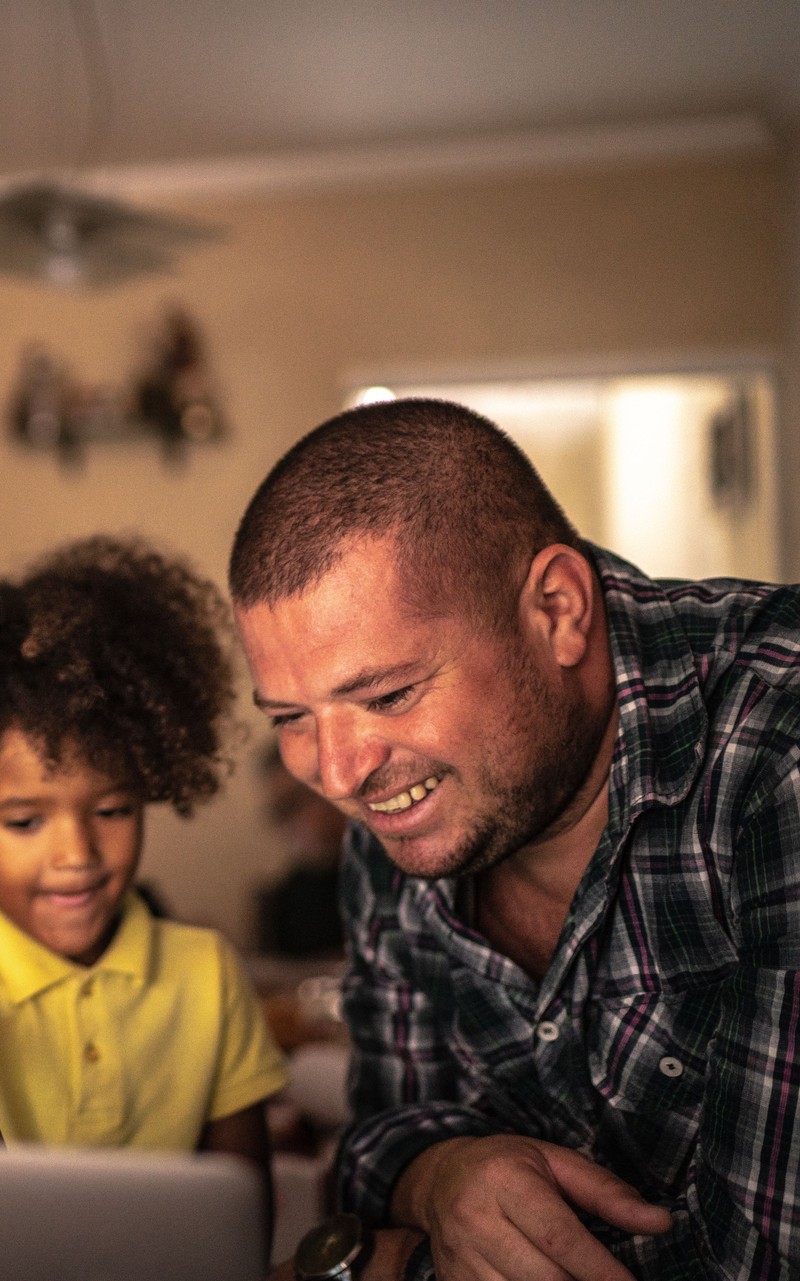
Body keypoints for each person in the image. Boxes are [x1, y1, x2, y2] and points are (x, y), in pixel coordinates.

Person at [229, 398, 799, 1280]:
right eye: (292, 717)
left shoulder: (777, 751)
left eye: (387, 695)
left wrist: (387, 1268)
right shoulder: (401, 814)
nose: (338, 775)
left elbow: (760, 1260)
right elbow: (379, 1134)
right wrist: (439, 1176)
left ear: (558, 610)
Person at [0, 536, 288, 1200]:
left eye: (111, 810)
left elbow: (242, 1204)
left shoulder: (207, 972)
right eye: (25, 821)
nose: (77, 855)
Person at [255, 742, 350, 958]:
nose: (284, 823)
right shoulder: (284, 898)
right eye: (278, 811)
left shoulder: (391, 874)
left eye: (290, 806)